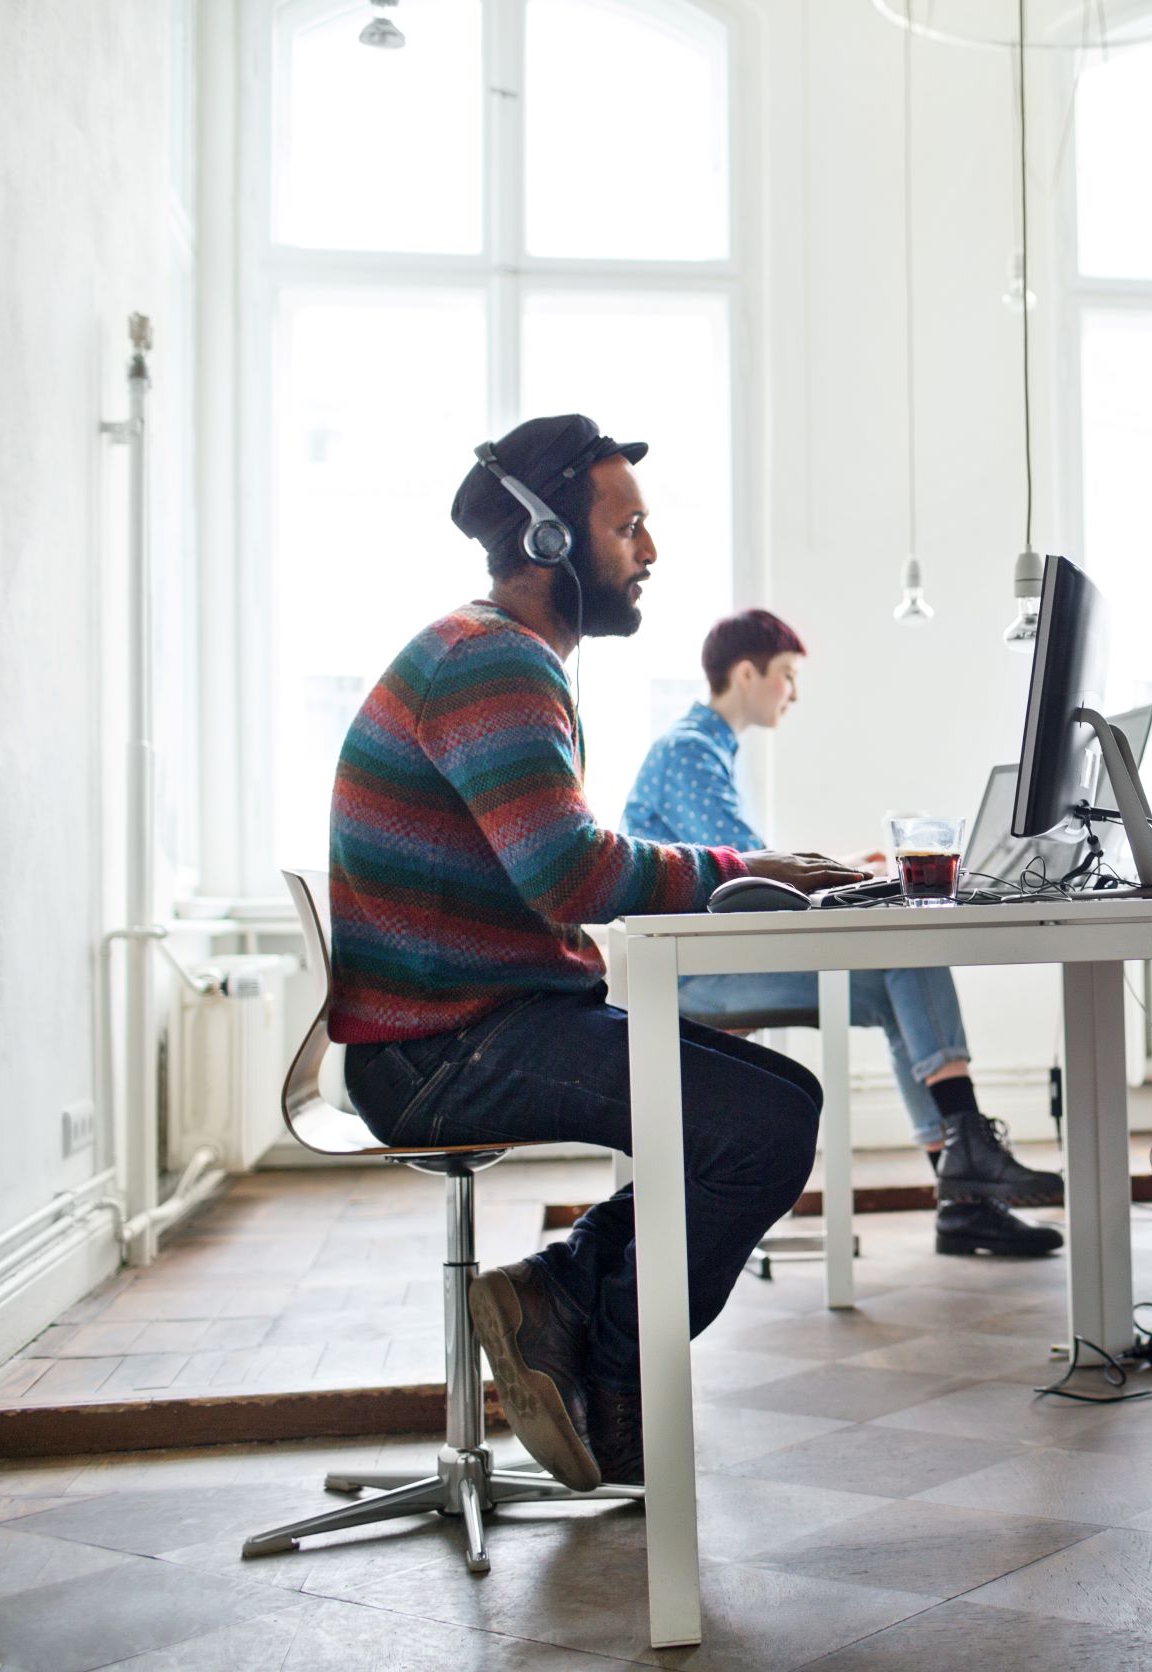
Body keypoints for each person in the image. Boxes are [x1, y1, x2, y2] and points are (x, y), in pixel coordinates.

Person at [328, 414, 867, 1489]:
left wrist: (752, 872)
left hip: (475, 1025)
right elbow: (571, 872)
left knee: (772, 1108)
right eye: (628, 529)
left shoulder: (498, 657)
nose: (650, 554)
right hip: (446, 1051)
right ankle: (613, 1389)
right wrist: (755, 873)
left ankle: (562, 1301)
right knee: (761, 1126)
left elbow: (565, 865)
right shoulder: (490, 665)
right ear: (548, 543)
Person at [623, 609, 1065, 1259]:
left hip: (715, 959)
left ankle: (964, 1197)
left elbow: (750, 866)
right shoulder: (691, 748)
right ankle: (967, 1159)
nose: (793, 693)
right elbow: (747, 871)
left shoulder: (712, 747)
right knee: (906, 953)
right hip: (692, 974)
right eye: (787, 676)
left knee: (899, 981)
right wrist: (847, 874)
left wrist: (847, 871)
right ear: (747, 673)